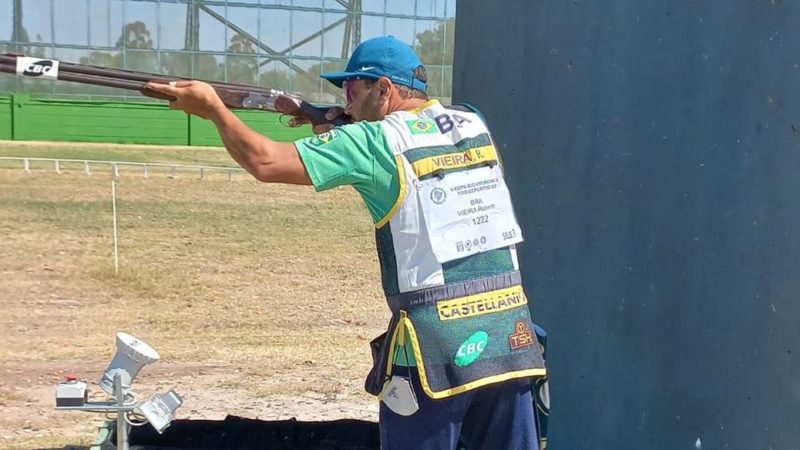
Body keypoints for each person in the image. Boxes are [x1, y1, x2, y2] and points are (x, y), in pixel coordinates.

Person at [146, 35, 547, 450]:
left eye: (354, 90)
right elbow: (418, 137)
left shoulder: (373, 142)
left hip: (434, 355)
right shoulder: (472, 121)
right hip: (510, 343)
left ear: (385, 90)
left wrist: (214, 109)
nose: (348, 101)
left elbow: (265, 162)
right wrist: (330, 124)